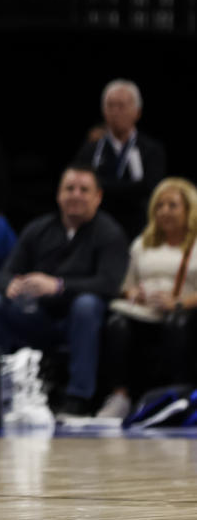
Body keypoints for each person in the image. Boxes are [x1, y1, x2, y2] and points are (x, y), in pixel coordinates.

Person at [0, 165, 130, 420]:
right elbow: (5, 272)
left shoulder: (109, 233)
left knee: (86, 304)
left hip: (85, 323)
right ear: (59, 195)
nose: (76, 195)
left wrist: (58, 286)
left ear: (98, 197)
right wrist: (10, 286)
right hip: (40, 318)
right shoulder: (39, 229)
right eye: (69, 188)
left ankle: (78, 399)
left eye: (84, 190)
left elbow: (108, 284)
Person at [97, 177, 197, 419]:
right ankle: (119, 396)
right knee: (116, 323)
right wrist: (135, 294)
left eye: (172, 205)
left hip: (186, 310)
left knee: (178, 323)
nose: (164, 211)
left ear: (189, 209)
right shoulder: (142, 243)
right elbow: (125, 287)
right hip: (144, 312)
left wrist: (179, 303)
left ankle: (177, 395)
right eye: (159, 206)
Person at [74, 79, 167, 238]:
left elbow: (152, 189)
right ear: (103, 111)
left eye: (122, 106)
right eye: (110, 106)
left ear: (137, 112)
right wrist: (132, 188)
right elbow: (82, 185)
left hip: (140, 228)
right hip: (97, 228)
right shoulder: (91, 149)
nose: (116, 111)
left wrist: (103, 186)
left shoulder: (151, 150)